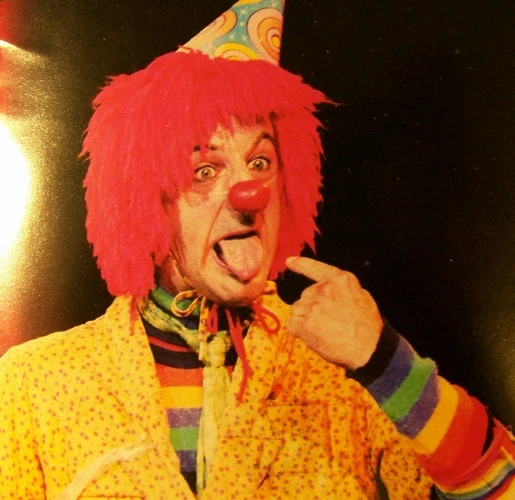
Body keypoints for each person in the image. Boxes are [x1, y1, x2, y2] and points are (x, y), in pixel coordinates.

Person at [1, 1, 514, 498]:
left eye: (261, 162)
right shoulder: (34, 382)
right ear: (146, 202)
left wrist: (383, 360)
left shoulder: (345, 375)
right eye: (205, 170)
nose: (249, 195)